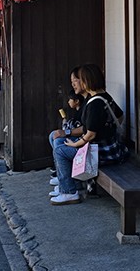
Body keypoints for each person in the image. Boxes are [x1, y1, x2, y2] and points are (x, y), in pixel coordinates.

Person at [50, 63, 126, 205]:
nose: (79, 83)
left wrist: (75, 144)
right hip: (112, 147)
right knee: (60, 143)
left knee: (60, 150)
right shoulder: (105, 96)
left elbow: (90, 135)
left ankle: (69, 192)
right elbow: (120, 116)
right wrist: (107, 128)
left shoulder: (93, 104)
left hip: (101, 153)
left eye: (81, 79)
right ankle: (68, 183)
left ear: (89, 80)